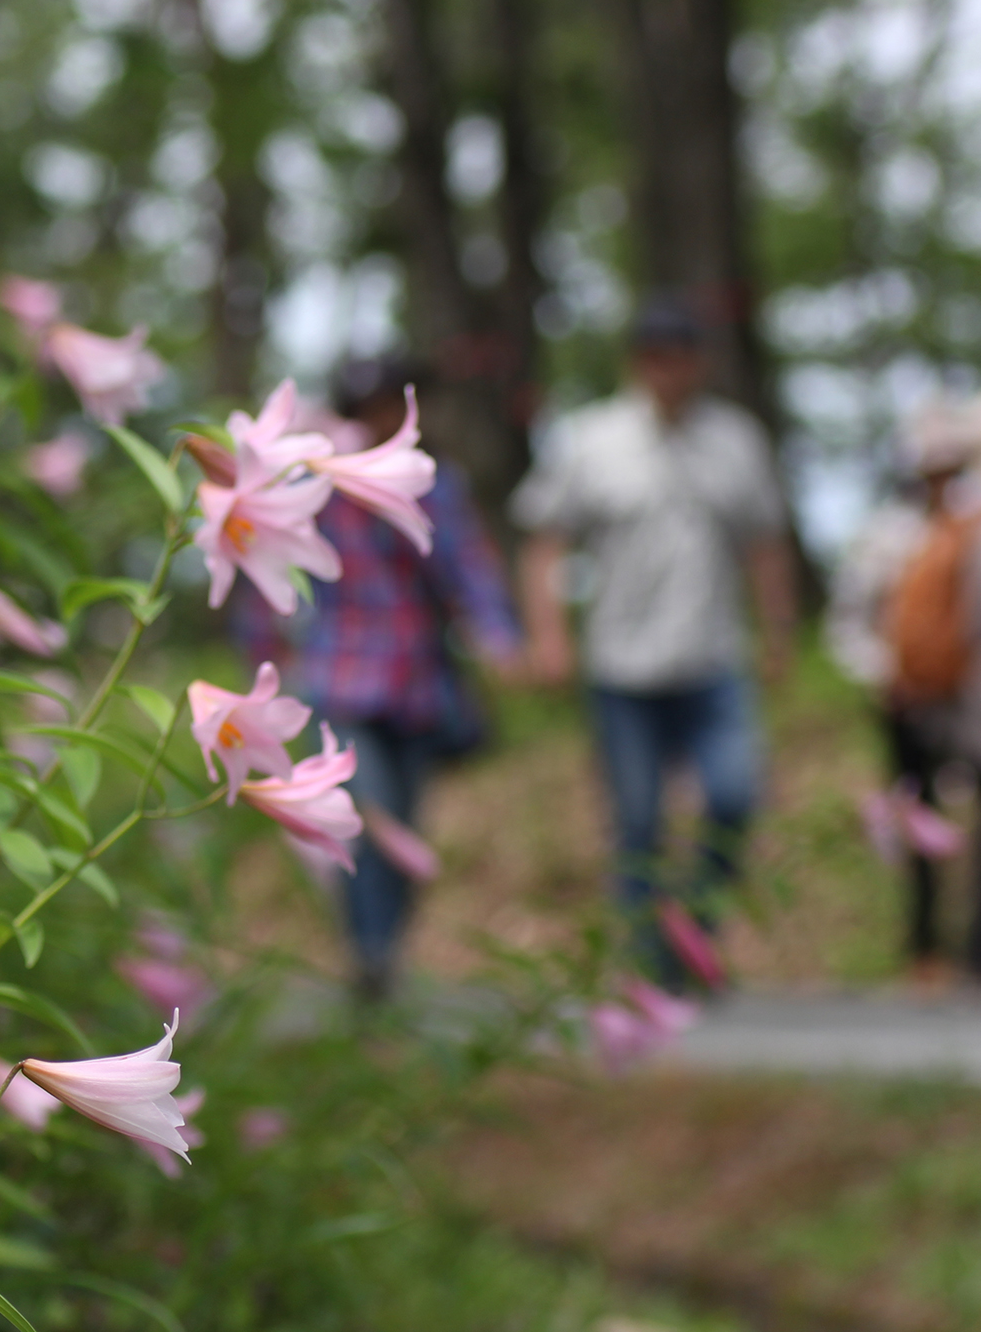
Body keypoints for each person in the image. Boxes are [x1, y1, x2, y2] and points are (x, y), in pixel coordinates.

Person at [511, 299, 794, 989]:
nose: (671, 371)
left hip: (713, 658)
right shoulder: (591, 439)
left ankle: (694, 935)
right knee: (638, 826)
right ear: (637, 363)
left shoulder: (736, 440)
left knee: (733, 800)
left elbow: (766, 547)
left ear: (701, 362)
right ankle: (648, 972)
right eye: (657, 357)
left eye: (683, 355)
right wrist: (550, 638)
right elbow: (544, 542)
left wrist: (776, 636)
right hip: (622, 666)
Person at [229, 357, 525, 1002]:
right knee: (368, 819)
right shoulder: (314, 485)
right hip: (340, 684)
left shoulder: (434, 485)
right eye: (370, 411)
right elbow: (266, 566)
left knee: (403, 830)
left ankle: (383, 952)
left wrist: (498, 636)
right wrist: (260, 668)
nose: (382, 422)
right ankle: (369, 953)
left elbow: (466, 565)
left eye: (393, 408)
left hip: (416, 687)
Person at [827, 400, 981, 983]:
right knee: (918, 821)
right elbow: (851, 620)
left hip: (967, 701)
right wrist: (884, 672)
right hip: (907, 702)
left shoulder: (971, 526)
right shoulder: (888, 535)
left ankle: (971, 952)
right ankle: (924, 948)